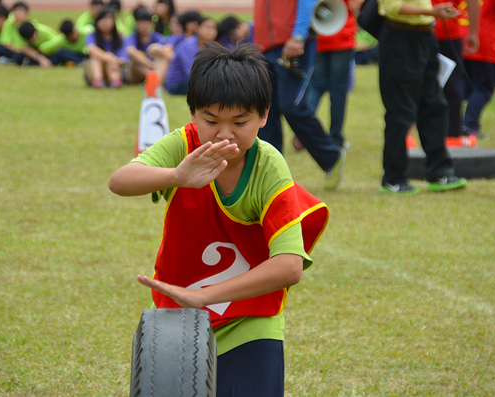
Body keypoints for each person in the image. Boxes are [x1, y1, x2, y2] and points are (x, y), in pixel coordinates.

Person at [108, 42, 329, 397]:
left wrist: (206, 296)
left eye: (240, 122)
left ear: (263, 117)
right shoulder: (184, 145)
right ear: (194, 113)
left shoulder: (269, 166)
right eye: (211, 120)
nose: (224, 133)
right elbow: (119, 181)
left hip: (250, 320)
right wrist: (176, 177)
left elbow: (289, 267)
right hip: (179, 320)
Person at [253, 0, 346, 190]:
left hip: (293, 44)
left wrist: (299, 35)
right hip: (265, 46)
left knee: (293, 107)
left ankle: (331, 157)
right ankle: (271, 175)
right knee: (265, 112)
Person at [377, 0, 468, 194]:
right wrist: (432, 12)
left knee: (434, 105)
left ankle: (440, 172)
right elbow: (391, 7)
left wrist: (432, 15)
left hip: (426, 37)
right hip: (399, 38)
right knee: (401, 111)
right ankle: (393, 178)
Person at [309, 0, 358, 150]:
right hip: (343, 37)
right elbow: (355, 6)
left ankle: (306, 134)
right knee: (338, 90)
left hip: (318, 37)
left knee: (316, 86)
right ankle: (336, 138)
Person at [462, 0, 495, 138]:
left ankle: (454, 124)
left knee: (465, 87)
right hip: (484, 43)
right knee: (484, 89)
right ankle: (469, 125)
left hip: (465, 38)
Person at [432, 0, 480, 148]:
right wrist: (473, 33)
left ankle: (410, 135)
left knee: (419, 82)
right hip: (449, 31)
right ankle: (452, 136)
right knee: (452, 84)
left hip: (420, 28)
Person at [85, 8, 126, 88]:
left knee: (110, 59)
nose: (105, 23)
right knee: (96, 57)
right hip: (94, 72)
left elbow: (123, 60)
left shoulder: (120, 39)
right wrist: (107, 57)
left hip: (114, 69)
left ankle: (115, 81)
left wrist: (111, 59)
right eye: (102, 20)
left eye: (108, 20)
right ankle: (98, 81)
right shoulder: (92, 35)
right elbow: (91, 49)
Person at [124, 7, 166, 84]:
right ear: (136, 24)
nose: (144, 26)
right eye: (142, 23)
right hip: (135, 74)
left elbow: (166, 50)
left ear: (151, 24)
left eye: (147, 23)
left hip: (154, 67)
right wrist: (150, 64)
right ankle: (153, 80)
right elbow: (131, 51)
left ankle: (154, 79)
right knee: (135, 60)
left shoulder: (157, 37)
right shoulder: (132, 37)